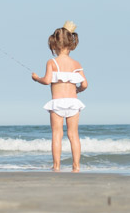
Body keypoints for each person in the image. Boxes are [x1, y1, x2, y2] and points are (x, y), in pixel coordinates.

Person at [31, 21, 88, 172]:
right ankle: (76, 166)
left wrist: (37, 78)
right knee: (73, 135)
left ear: (55, 45)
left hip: (57, 103)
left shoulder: (52, 62)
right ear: (71, 44)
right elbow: (85, 84)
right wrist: (78, 91)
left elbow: (47, 80)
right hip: (73, 103)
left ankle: (56, 166)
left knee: (57, 134)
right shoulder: (76, 64)